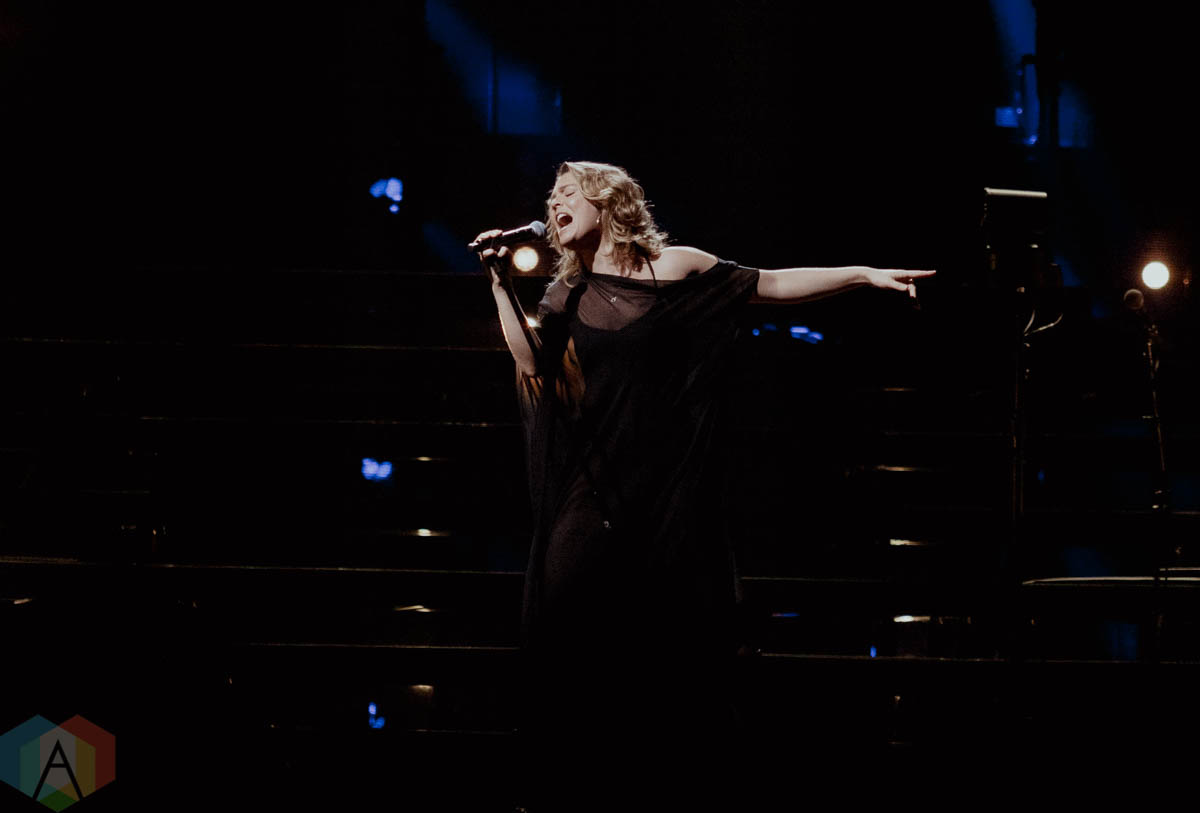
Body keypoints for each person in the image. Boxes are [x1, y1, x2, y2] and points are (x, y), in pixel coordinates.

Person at [474, 160, 934, 807]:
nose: (555, 204)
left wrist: (861, 273)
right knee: (567, 625)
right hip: (591, 484)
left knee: (668, 646)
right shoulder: (565, 293)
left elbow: (771, 283)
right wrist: (500, 285)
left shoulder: (675, 267)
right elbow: (534, 366)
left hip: (665, 486)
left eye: (568, 192)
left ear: (606, 201)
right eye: (551, 198)